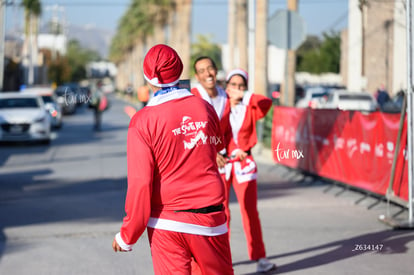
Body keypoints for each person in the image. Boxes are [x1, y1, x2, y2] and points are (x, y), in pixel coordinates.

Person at [112, 44, 234, 275]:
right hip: (209, 217)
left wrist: (128, 234)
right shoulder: (205, 108)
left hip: (166, 223)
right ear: (179, 71)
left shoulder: (142, 121)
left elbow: (140, 184)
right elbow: (217, 145)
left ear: (149, 79)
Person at [224, 68, 276, 273]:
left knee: (250, 212)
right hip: (222, 163)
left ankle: (260, 257)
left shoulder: (250, 107)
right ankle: (222, 258)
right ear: (226, 87)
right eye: (233, 85)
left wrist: (245, 96)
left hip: (245, 163)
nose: (236, 89)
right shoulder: (220, 106)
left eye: (241, 86)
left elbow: (266, 103)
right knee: (221, 213)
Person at [191, 56, 231, 170]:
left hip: (224, 160)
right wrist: (212, 153)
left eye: (210, 68)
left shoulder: (226, 97)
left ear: (216, 70)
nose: (207, 74)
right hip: (200, 161)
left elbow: (229, 129)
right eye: (201, 71)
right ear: (197, 77)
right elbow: (190, 133)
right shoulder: (191, 97)